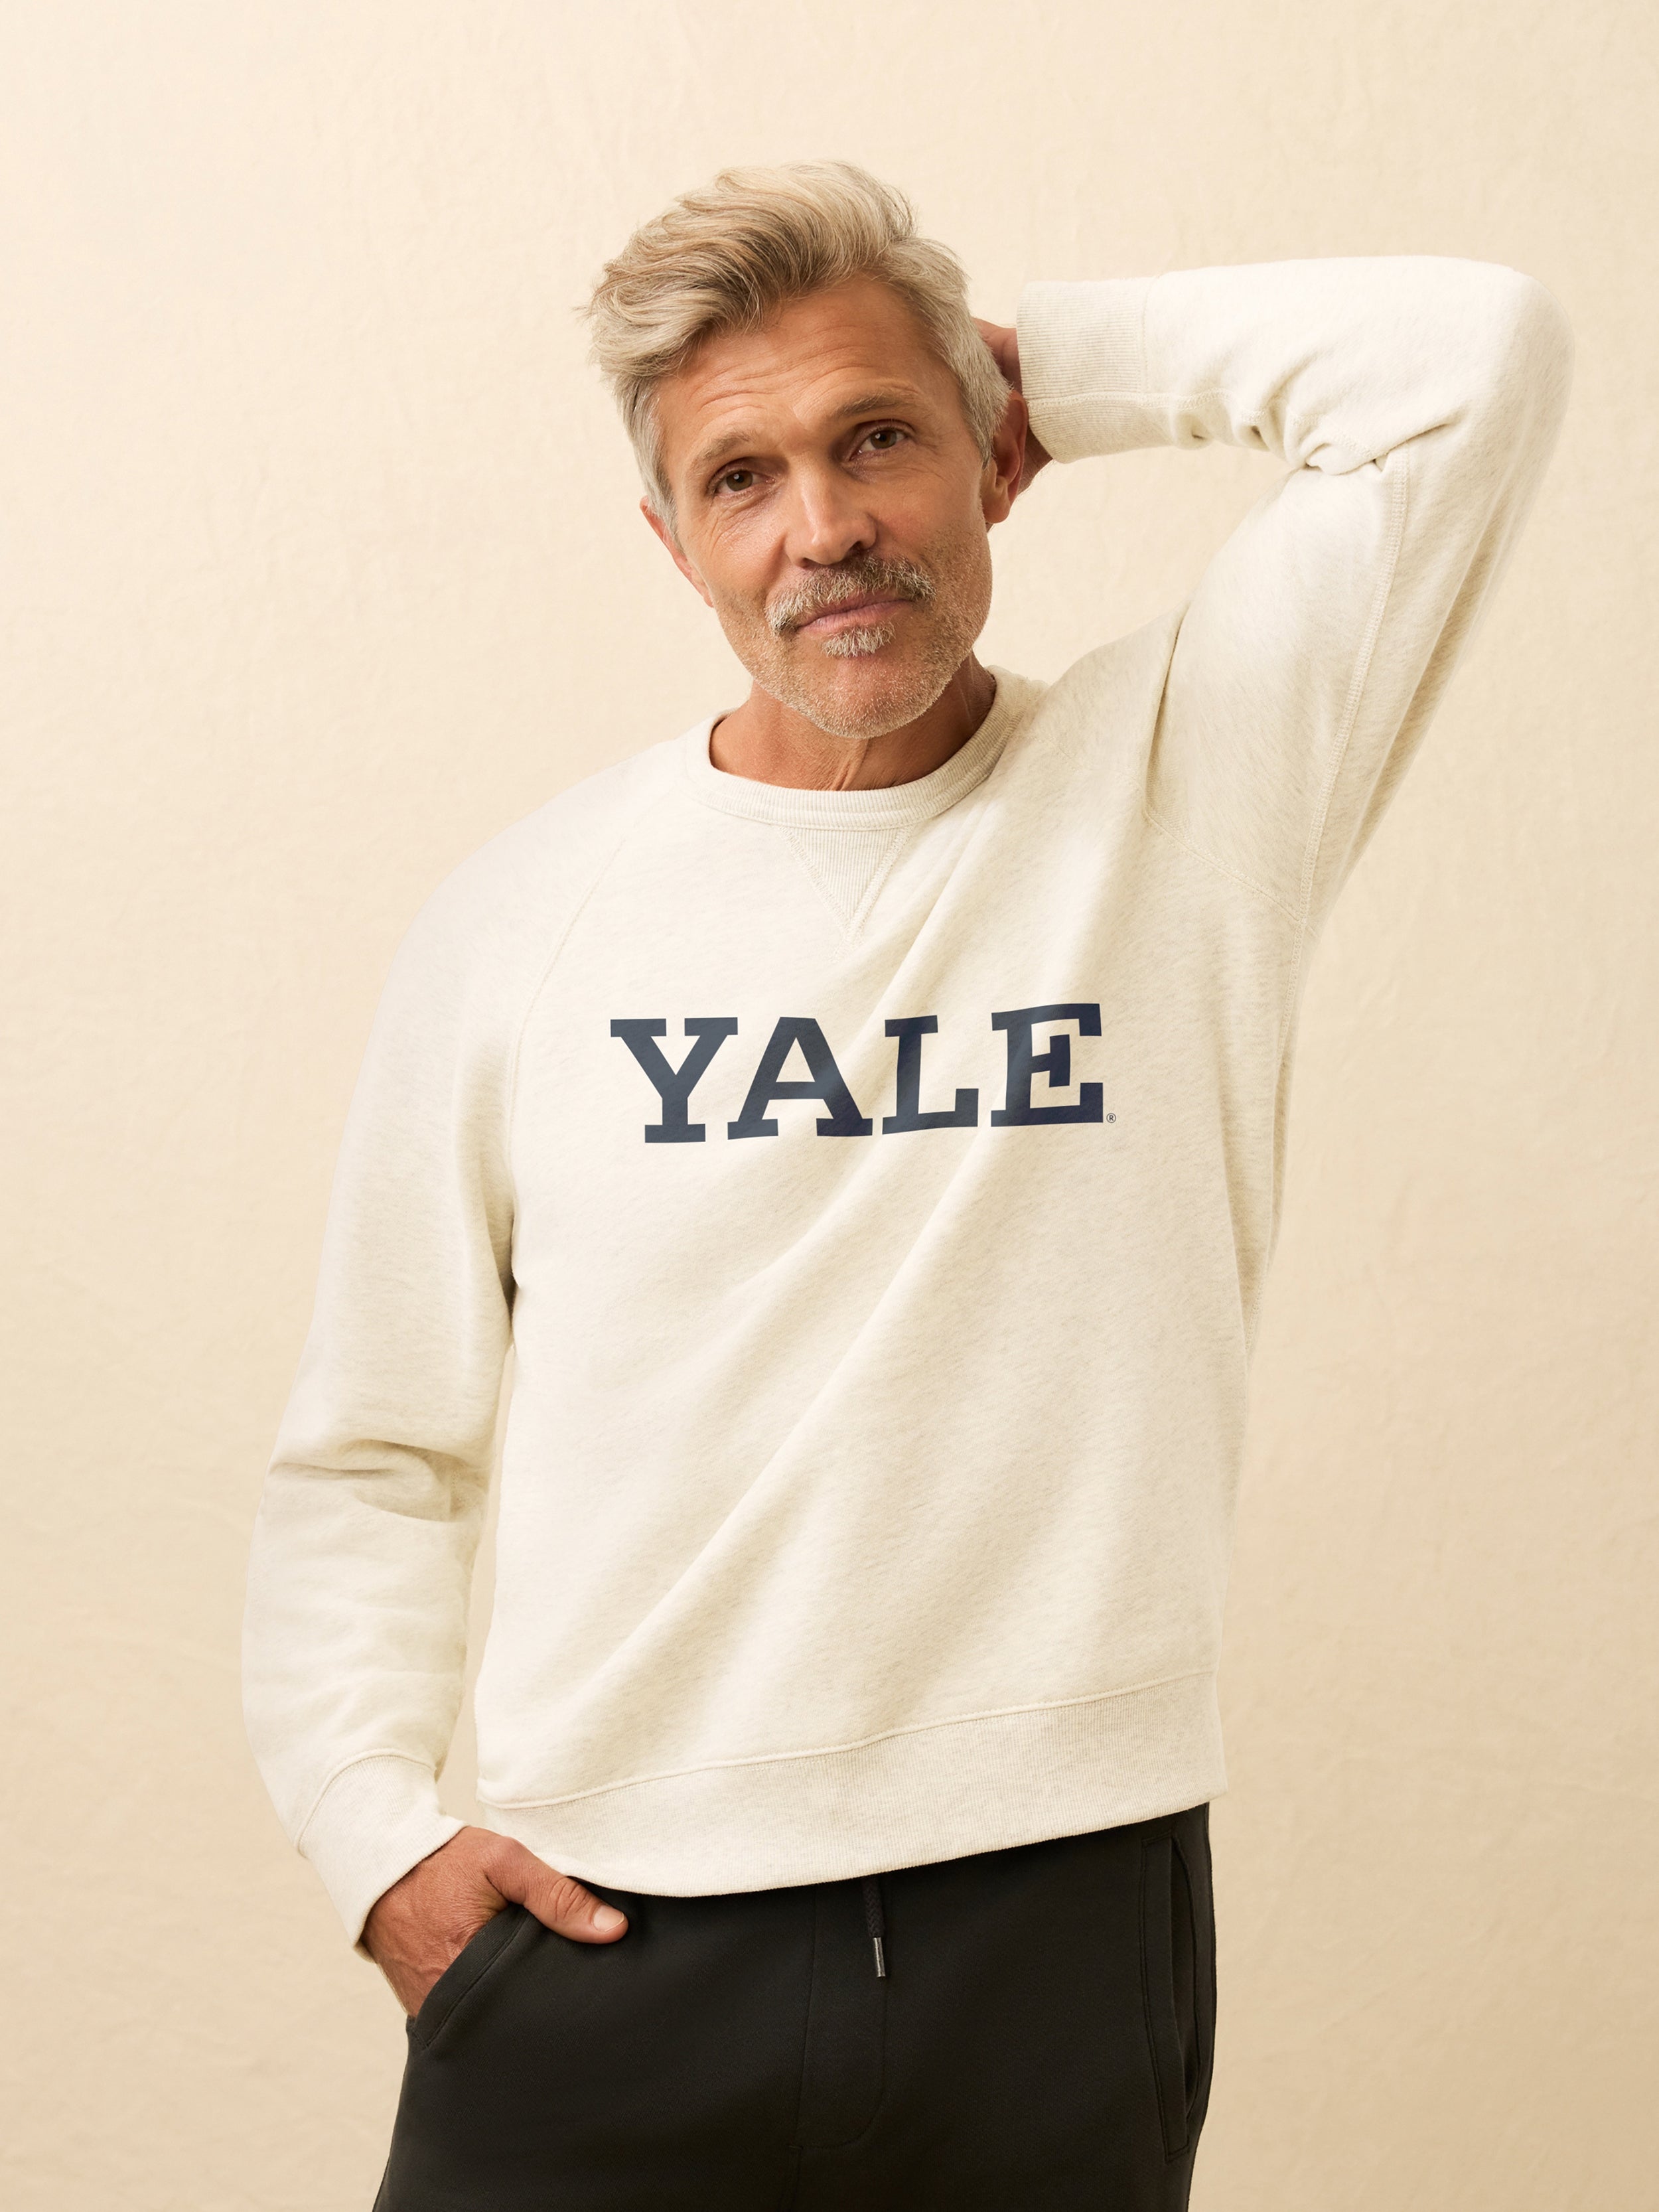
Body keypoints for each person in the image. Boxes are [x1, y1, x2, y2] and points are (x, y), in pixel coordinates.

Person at [243, 161, 1571, 2209]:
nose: (826, 526)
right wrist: (376, 1842)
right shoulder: (523, 926)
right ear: (670, 539)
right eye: (742, 475)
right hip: (609, 1939)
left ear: (986, 462)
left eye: (880, 438)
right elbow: (371, 1449)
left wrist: (1069, 368)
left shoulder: (1188, 783)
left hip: (1061, 1933)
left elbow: (1473, 357)